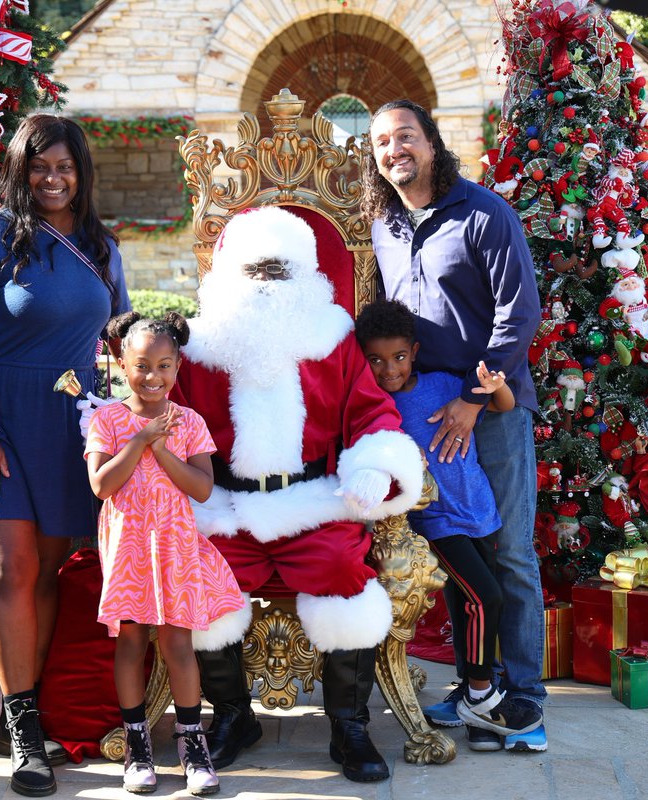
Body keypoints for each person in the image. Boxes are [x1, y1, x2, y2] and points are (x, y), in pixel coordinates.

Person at [169, 206, 425, 782]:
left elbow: (373, 414)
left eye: (279, 272)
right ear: (230, 271)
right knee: (203, 581)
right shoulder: (199, 346)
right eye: (255, 271)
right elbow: (171, 424)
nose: (266, 286)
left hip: (313, 501)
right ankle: (233, 716)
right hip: (225, 507)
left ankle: (349, 724)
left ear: (306, 274)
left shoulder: (333, 337)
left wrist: (373, 469)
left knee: (343, 570)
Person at [0, 114, 130, 797]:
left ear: (83, 174)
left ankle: (30, 704)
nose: (53, 178)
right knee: (7, 568)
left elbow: (121, 336)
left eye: (65, 168)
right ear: (19, 172)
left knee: (44, 571)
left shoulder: (102, 248)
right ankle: (22, 731)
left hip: (68, 423)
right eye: (40, 167)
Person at [363, 99, 547, 752]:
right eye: (382, 142)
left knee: (510, 552)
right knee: (455, 554)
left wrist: (471, 399)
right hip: (420, 416)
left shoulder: (482, 213)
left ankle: (522, 697)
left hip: (487, 408)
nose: (394, 150)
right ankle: (479, 688)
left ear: (432, 142)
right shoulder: (385, 223)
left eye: (405, 136)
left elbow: (518, 313)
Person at [354, 300, 542, 747]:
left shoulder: (442, 385)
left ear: (414, 351)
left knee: (468, 600)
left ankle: (471, 693)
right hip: (437, 519)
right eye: (376, 360)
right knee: (486, 597)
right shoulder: (376, 407)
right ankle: (481, 693)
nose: (388, 370)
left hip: (478, 509)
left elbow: (505, 404)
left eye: (398, 357)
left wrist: (490, 387)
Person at [85, 311, 242, 796]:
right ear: (121, 363)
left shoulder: (189, 422)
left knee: (177, 645)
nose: (153, 377)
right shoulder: (107, 418)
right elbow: (101, 485)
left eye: (165, 366)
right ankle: (137, 744)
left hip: (173, 547)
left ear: (177, 367)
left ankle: (192, 742)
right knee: (131, 643)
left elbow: (200, 487)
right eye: (141, 366)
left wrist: (162, 449)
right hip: (129, 547)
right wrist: (138, 441)